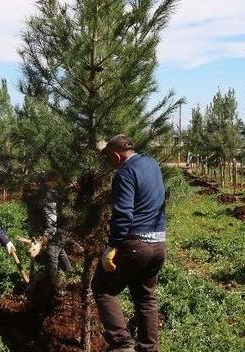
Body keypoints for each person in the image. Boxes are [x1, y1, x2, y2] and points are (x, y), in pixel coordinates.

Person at [92, 134, 167, 352]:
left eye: (108, 158)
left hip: (136, 244)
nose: (108, 164)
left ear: (116, 155)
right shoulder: (152, 163)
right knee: (145, 298)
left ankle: (123, 345)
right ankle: (149, 348)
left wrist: (111, 247)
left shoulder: (124, 173)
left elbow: (123, 215)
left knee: (102, 287)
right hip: (159, 244)